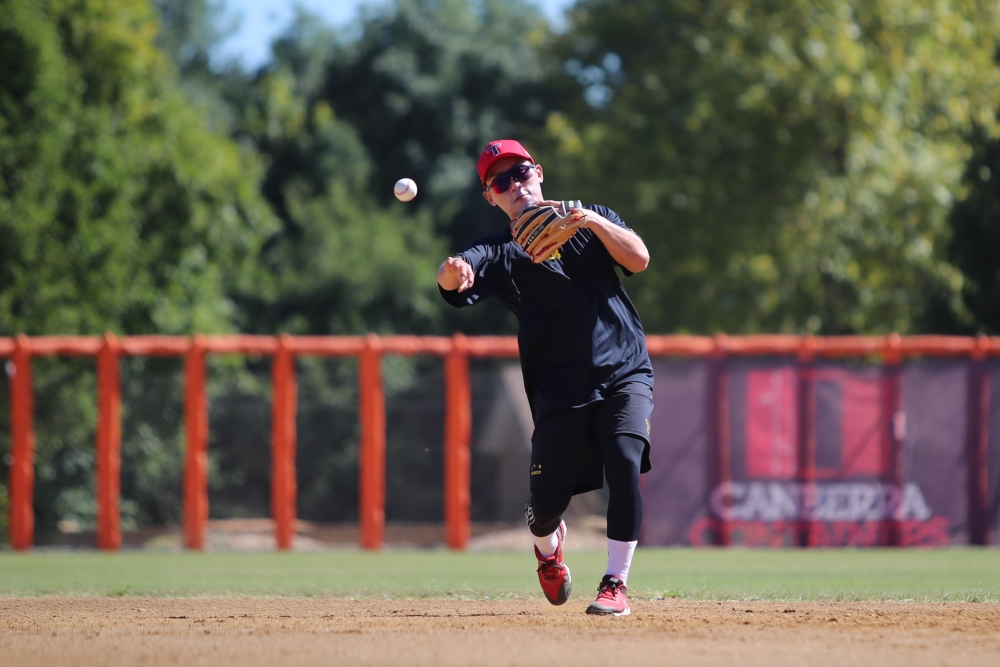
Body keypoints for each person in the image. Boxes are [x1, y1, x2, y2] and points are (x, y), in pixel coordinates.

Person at [437, 139, 654, 616]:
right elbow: (453, 276)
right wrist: (453, 272)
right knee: (545, 510)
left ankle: (615, 583)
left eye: (520, 173)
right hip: (561, 392)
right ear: (490, 197)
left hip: (624, 371)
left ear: (538, 173)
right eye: (500, 181)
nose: (514, 185)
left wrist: (592, 221)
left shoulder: (587, 217)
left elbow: (638, 258)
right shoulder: (500, 251)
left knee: (624, 459)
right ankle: (547, 545)